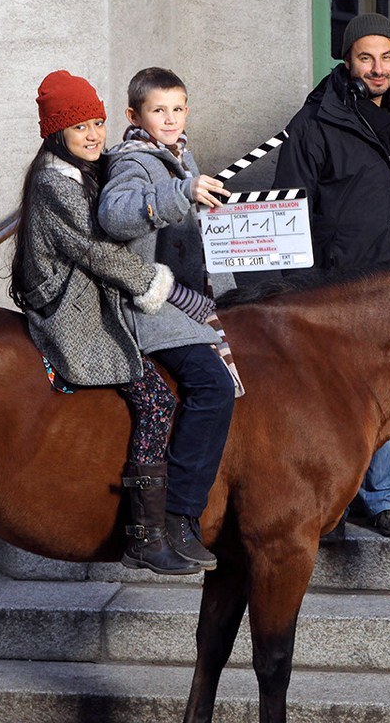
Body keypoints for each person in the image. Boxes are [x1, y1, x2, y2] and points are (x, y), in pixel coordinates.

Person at [10, 69, 208, 575]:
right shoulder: (55, 182)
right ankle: (144, 533)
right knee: (156, 398)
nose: (95, 135)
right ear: (58, 134)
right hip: (71, 309)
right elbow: (95, 251)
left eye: (97, 122)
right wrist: (159, 285)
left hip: (92, 294)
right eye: (81, 127)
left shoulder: (83, 171)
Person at [274, 12, 390, 537]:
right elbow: (290, 207)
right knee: (337, 396)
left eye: (387, 56)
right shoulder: (316, 120)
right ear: (347, 60)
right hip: (339, 284)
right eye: (366, 57)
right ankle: (335, 500)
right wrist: (304, 286)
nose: (377, 67)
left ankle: (384, 496)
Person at [99, 66, 237, 572]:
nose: (171, 119)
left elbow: (197, 236)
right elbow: (115, 215)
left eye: (178, 108)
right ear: (135, 116)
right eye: (159, 110)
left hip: (193, 300)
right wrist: (180, 196)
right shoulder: (131, 163)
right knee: (213, 388)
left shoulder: (182, 156)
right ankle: (179, 514)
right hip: (153, 309)